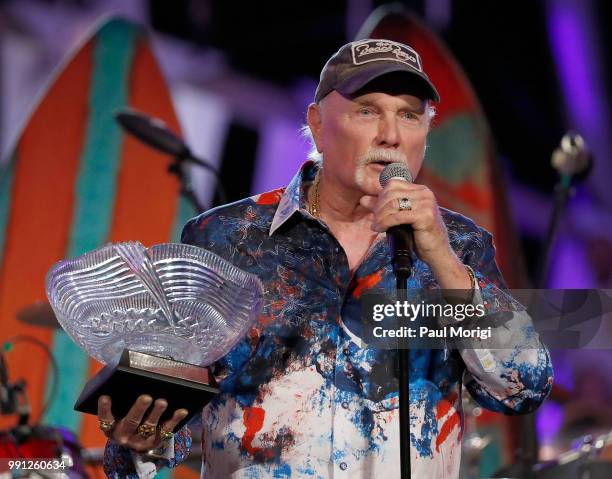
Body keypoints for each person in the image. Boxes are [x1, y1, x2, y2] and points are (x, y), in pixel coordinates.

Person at [99, 39, 553, 478]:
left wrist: (442, 259)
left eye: (410, 116)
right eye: (367, 110)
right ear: (317, 124)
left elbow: (524, 386)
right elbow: (158, 423)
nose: (391, 135)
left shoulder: (460, 245)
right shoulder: (226, 238)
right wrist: (142, 440)